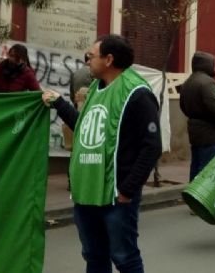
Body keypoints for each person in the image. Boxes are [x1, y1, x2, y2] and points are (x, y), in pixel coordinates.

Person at [42, 34, 161, 272]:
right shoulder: (96, 89)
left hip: (115, 195)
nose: (87, 61)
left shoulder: (137, 93)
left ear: (108, 59)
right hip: (87, 192)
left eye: (90, 56)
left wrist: (128, 189)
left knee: (125, 258)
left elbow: (152, 145)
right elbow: (85, 128)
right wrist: (59, 103)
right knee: (94, 257)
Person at [179, 51, 215, 182]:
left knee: (196, 167)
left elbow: (183, 107)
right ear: (207, 65)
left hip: (194, 131)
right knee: (207, 171)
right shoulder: (208, 83)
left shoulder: (188, 82)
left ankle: (193, 198)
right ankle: (202, 201)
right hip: (209, 133)